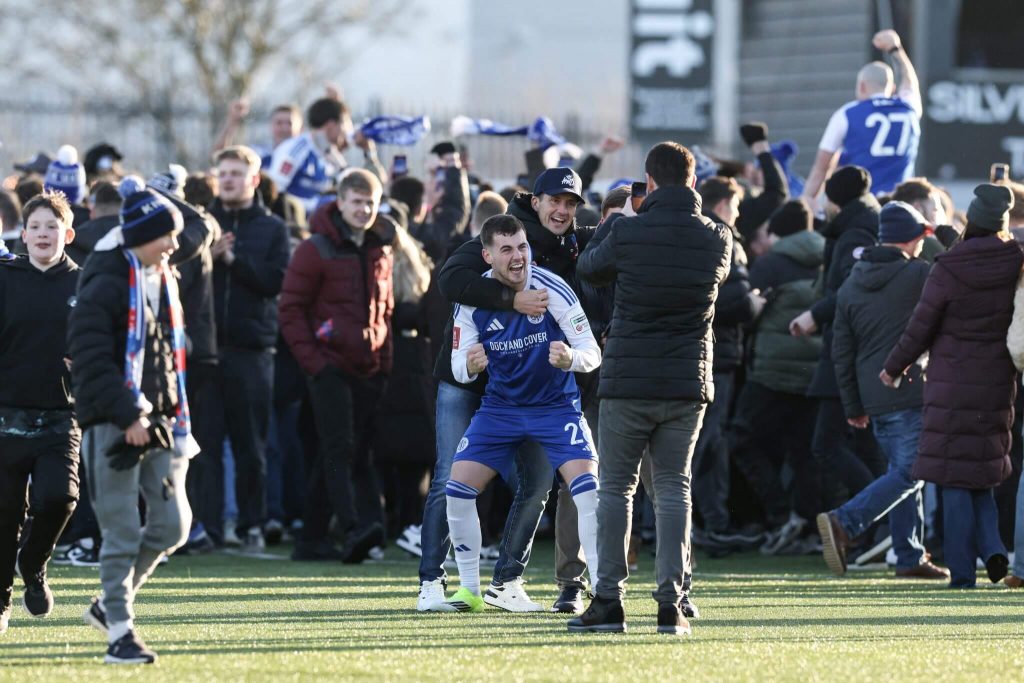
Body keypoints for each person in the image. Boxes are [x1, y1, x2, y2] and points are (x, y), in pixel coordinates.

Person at [422, 167, 607, 615]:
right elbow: (456, 357)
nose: (518, 256)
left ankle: (602, 592)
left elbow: (591, 351)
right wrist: (468, 365)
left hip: (553, 406)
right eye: (507, 250)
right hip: (498, 404)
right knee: (455, 483)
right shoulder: (474, 287)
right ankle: (452, 587)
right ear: (488, 255)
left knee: (582, 490)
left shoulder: (559, 276)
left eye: (521, 248)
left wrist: (571, 359)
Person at [571, 141, 732, 636]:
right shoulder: (717, 238)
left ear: (650, 180)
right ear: (694, 182)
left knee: (616, 488)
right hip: (686, 381)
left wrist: (618, 222)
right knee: (672, 489)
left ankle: (608, 601)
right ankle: (672, 603)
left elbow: (588, 268)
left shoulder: (627, 232)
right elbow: (716, 277)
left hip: (627, 380)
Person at [68, 178, 198, 664]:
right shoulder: (105, 277)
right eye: (166, 235)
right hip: (113, 423)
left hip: (157, 421)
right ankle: (120, 632)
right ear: (141, 235)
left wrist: (156, 192)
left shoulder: (154, 273)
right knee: (122, 531)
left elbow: (202, 228)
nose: (174, 245)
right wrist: (127, 414)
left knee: (172, 525)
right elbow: (90, 358)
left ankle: (107, 605)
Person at [884, 184, 1023, 588]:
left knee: (952, 478)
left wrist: (893, 367)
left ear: (971, 221)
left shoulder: (949, 266)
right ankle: (994, 548)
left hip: (950, 383)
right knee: (982, 472)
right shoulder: (1015, 259)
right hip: (997, 381)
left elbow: (920, 327)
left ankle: (963, 574)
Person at [819, 201, 949, 580]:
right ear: (912, 239)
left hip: (873, 398)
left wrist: (853, 404)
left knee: (901, 473)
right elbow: (959, 259)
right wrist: (939, 228)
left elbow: (841, 353)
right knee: (912, 473)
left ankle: (909, 556)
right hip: (911, 387)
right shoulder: (922, 274)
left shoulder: (850, 283)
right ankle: (845, 522)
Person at [278, 168, 394, 563]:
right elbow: (290, 310)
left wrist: (384, 362)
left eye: (370, 202)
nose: (364, 210)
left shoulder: (382, 247)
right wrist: (315, 363)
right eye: (357, 202)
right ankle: (352, 529)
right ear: (340, 201)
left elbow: (385, 310)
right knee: (339, 449)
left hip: (369, 367)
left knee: (351, 451)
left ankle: (311, 537)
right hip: (329, 365)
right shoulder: (315, 249)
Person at [0, 192, 81, 634]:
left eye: (52, 227)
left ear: (67, 234)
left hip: (59, 417)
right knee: (3, 513)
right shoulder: (5, 277)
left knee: (59, 499)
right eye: (35, 227)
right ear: (23, 234)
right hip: (5, 415)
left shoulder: (84, 283)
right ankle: (1, 602)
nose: (43, 234)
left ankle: (32, 565)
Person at [206, 146, 290, 551]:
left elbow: (276, 281)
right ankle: (207, 527)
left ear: (253, 179)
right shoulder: (200, 223)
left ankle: (251, 525)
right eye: (223, 172)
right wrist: (208, 257)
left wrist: (233, 260)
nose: (228, 179)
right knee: (203, 445)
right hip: (206, 349)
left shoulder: (273, 228)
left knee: (250, 446)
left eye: (236, 173)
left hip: (251, 350)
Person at [730, 200, 825, 551]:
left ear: (777, 231)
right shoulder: (824, 259)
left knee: (742, 439)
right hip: (811, 372)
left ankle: (780, 516)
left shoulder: (770, 264)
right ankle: (809, 523)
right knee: (804, 452)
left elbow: (747, 311)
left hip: (770, 372)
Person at [791, 166, 883, 519]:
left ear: (835, 200)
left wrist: (816, 314)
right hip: (859, 352)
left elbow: (850, 289)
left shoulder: (855, 233)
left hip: (848, 352)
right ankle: (878, 529)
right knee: (865, 446)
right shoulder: (862, 227)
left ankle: (874, 517)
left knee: (827, 445)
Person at [694, 176, 764, 545]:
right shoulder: (723, 237)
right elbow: (734, 302)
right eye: (735, 205)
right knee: (708, 443)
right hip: (717, 356)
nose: (738, 213)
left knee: (707, 442)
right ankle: (710, 523)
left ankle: (708, 521)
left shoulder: (694, 232)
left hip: (705, 353)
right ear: (723, 204)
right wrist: (756, 301)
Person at [803, 30, 922, 199]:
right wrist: (896, 49)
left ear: (862, 86)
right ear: (892, 89)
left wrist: (805, 201)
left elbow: (821, 168)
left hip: (861, 204)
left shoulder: (846, 114)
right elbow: (910, 83)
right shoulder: (909, 109)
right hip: (899, 204)